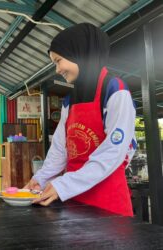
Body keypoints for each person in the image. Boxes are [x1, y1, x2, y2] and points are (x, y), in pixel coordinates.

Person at [25, 23, 136, 216]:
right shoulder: (69, 101)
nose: (57, 69)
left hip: (108, 203)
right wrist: (40, 179)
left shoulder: (115, 90)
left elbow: (114, 151)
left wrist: (63, 185)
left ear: (80, 53)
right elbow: (59, 150)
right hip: (74, 201)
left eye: (59, 61)